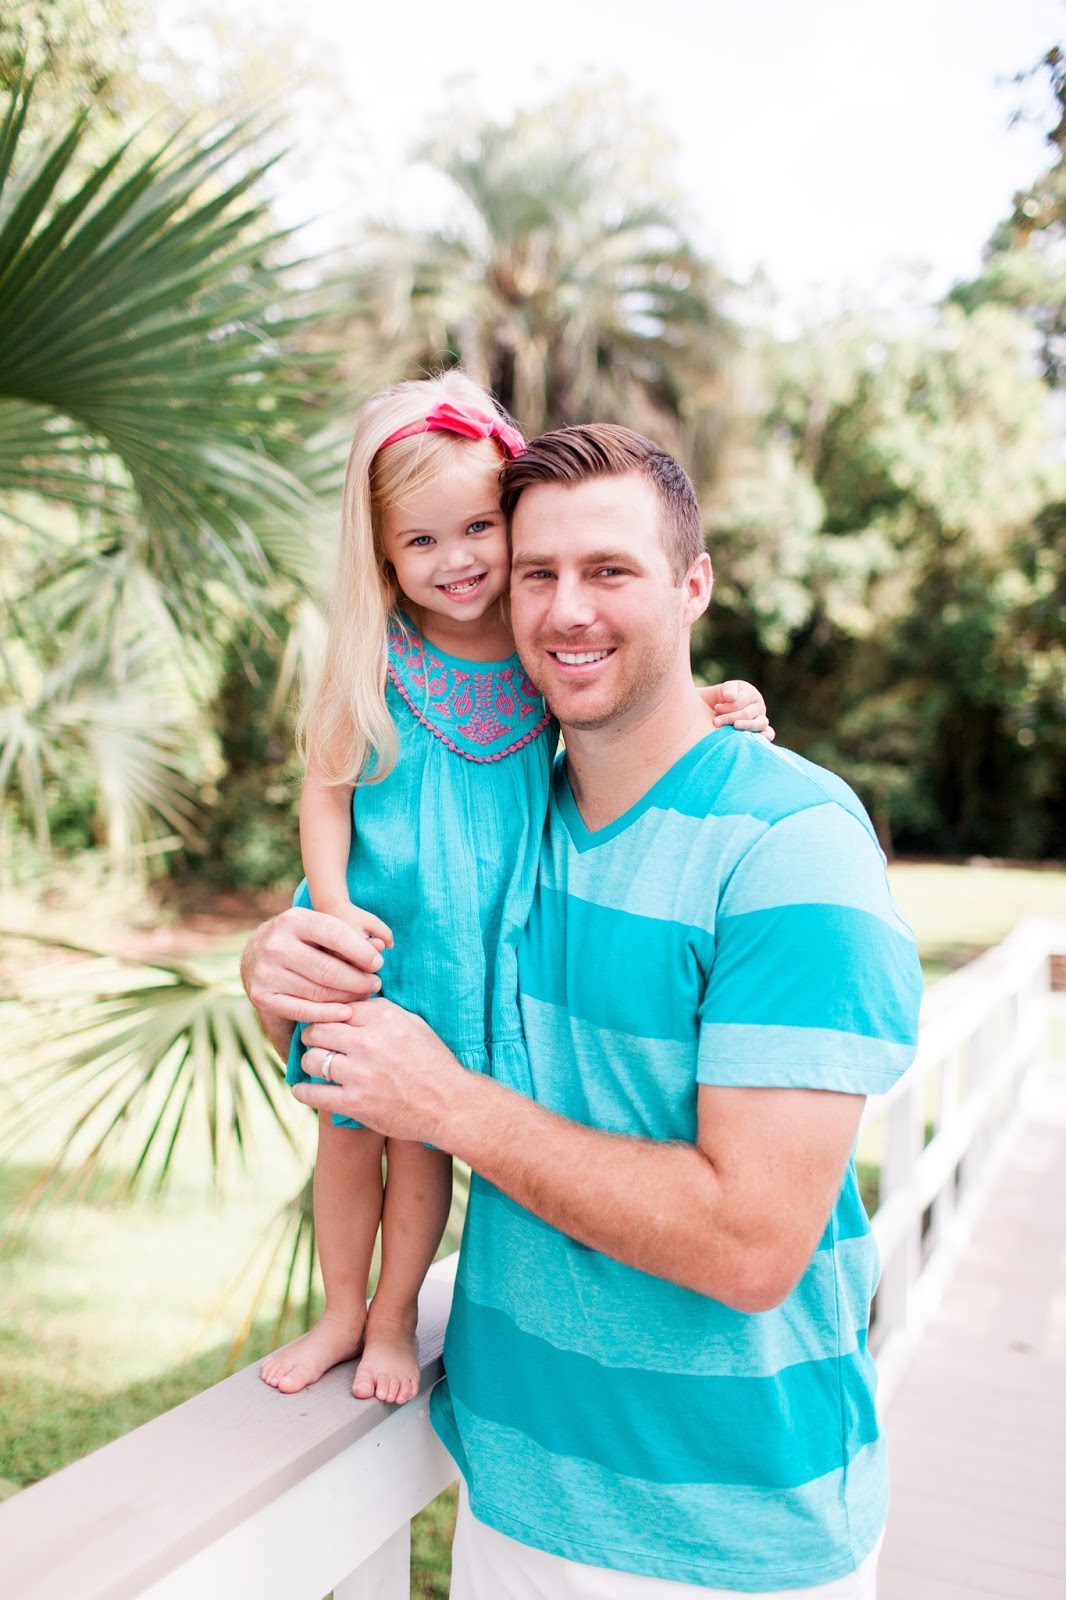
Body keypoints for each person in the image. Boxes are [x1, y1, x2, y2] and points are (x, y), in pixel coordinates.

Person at [243, 423, 922, 1598]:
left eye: (609, 570)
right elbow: (379, 1055)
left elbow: (751, 1245)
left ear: (693, 585)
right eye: (535, 572)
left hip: (729, 1540)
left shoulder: (792, 848)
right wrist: (277, 975)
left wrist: (448, 1106)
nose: (566, 610)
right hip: (508, 1498)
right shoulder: (505, 831)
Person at [258, 378, 772, 1407]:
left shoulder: (540, 650)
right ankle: (340, 1310)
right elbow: (326, 788)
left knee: (423, 1145)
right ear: (383, 554)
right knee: (347, 1139)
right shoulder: (378, 656)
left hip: (478, 944)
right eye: (420, 542)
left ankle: (394, 1318)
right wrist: (328, 903)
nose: (456, 560)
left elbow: (627, 695)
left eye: (476, 529)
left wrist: (716, 699)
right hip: (376, 942)